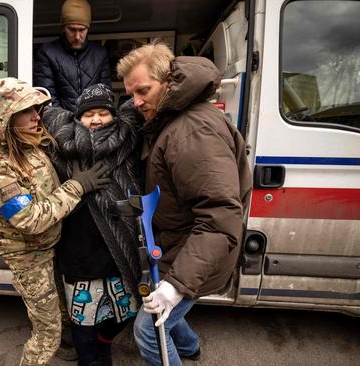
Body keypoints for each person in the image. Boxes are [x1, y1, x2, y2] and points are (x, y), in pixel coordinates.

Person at [0, 84, 144, 366]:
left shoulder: (32, 140)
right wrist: (77, 186)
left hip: (55, 247)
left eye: (35, 109)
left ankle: (77, 352)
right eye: (26, 111)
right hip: (31, 258)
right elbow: (29, 219)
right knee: (47, 335)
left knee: (69, 319)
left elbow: (64, 120)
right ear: (6, 120)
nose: (36, 116)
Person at [116, 42, 252, 366]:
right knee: (165, 314)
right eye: (131, 94)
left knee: (149, 331)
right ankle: (190, 349)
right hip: (180, 245)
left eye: (142, 91)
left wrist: (176, 285)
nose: (135, 102)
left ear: (168, 81)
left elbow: (220, 215)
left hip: (194, 251)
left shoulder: (191, 131)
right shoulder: (170, 117)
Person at [43, 84, 143, 366]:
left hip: (118, 249)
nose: (96, 119)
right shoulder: (61, 142)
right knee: (83, 322)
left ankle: (105, 341)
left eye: (102, 113)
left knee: (126, 312)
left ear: (114, 116)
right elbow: (21, 112)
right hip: (78, 250)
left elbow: (149, 99)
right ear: (77, 118)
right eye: (88, 114)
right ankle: (89, 358)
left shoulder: (127, 137)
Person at [34, 0, 111, 113]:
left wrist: (92, 120)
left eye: (82, 30)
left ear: (88, 29)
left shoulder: (100, 53)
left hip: (92, 122)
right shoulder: (47, 52)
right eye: (72, 30)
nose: (77, 36)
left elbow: (104, 95)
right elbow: (48, 98)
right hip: (60, 125)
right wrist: (65, 125)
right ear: (63, 28)